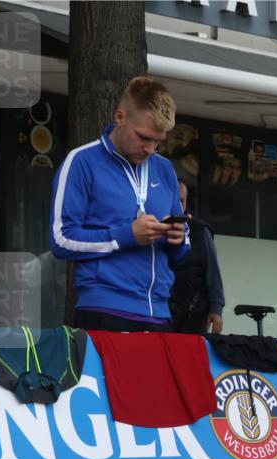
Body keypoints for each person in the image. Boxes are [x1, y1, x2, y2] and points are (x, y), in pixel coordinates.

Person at [49, 76, 189, 332]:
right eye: (144, 137)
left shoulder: (165, 168)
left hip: (159, 313)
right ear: (120, 117)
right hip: (105, 309)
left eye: (158, 141)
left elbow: (183, 250)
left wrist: (178, 239)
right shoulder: (81, 161)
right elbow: (61, 239)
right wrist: (127, 235)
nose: (150, 149)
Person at [169, 180, 225, 334]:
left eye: (181, 201)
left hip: (191, 314)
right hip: (160, 310)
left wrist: (216, 308)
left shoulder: (199, 230)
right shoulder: (152, 227)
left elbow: (212, 271)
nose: (178, 205)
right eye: (174, 199)